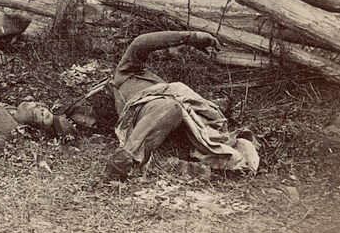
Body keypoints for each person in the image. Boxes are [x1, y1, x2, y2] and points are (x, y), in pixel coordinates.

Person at [60, 31, 260, 180]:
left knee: (239, 145)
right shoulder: (123, 76)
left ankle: (215, 166)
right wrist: (189, 37)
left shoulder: (153, 80)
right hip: (148, 110)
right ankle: (124, 160)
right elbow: (141, 43)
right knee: (170, 107)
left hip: (178, 120)